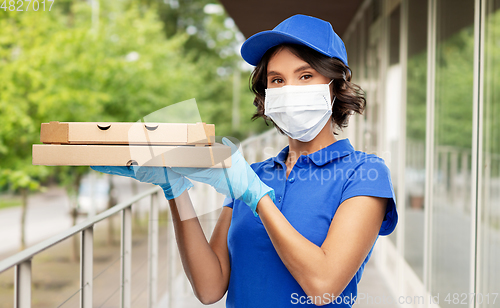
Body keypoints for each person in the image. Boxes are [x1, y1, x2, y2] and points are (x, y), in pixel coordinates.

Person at [92, 14, 398, 307]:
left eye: (305, 76)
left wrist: (258, 197)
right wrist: (176, 189)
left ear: (335, 85)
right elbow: (210, 287)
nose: (289, 90)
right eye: (276, 80)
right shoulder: (252, 173)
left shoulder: (364, 173)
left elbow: (323, 285)